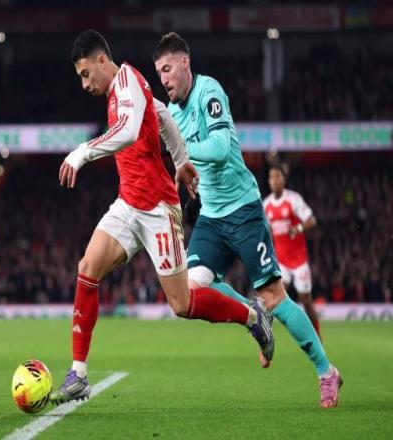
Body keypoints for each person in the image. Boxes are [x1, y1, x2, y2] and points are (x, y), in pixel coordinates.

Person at [50, 30, 273, 405]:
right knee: (87, 268)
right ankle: (79, 375)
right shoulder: (122, 91)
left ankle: (252, 316)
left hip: (157, 209)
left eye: (86, 74)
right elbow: (163, 116)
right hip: (128, 204)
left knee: (182, 304)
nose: (84, 84)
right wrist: (182, 160)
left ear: (103, 61)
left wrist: (82, 152)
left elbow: (127, 132)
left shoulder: (128, 82)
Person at [152, 32, 342, 408]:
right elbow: (186, 165)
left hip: (243, 211)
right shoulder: (171, 112)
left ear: (185, 62)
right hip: (210, 217)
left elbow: (221, 148)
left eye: (167, 69)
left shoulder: (209, 92)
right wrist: (185, 187)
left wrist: (181, 152)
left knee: (275, 297)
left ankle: (326, 371)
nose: (164, 79)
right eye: (159, 73)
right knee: (189, 291)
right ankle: (252, 314)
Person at [263, 164, 322, 339]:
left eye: (277, 177)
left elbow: (311, 220)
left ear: (284, 179)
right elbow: (266, 231)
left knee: (305, 299)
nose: (274, 181)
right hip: (280, 261)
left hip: (299, 260)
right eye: (271, 177)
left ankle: (317, 336)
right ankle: (265, 340)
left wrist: (298, 228)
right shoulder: (266, 205)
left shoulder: (293, 199)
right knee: (274, 299)